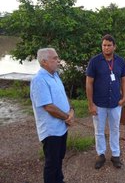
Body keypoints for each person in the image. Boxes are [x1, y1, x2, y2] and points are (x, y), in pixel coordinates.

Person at [30, 48, 74, 183]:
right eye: (54, 58)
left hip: (61, 127)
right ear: (44, 62)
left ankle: (59, 180)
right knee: (52, 164)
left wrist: (71, 109)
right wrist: (67, 117)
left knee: (59, 158)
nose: (58, 60)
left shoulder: (55, 75)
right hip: (51, 131)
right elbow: (48, 106)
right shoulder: (39, 80)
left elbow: (63, 94)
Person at [86, 34, 125, 169]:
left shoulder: (120, 61)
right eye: (104, 45)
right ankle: (101, 154)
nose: (106, 48)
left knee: (115, 129)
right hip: (99, 104)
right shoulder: (95, 61)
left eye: (109, 45)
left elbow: (124, 80)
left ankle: (115, 155)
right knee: (99, 130)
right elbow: (89, 83)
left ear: (114, 46)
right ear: (101, 46)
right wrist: (90, 104)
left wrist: (124, 97)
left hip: (116, 103)